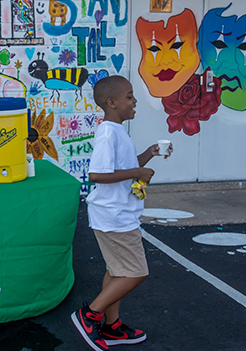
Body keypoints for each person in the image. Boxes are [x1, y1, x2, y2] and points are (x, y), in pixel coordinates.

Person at [71, 75, 172, 351]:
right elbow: (97, 174)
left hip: (117, 214)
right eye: (129, 96)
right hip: (114, 215)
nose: (135, 100)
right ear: (112, 103)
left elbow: (123, 167)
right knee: (136, 272)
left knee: (117, 272)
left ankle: (111, 326)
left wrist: (149, 155)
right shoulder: (107, 133)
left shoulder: (118, 132)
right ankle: (89, 315)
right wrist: (138, 172)